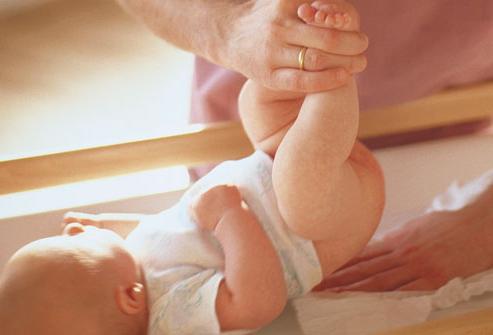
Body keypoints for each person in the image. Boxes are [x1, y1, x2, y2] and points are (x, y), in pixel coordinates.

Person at [0, 3, 384, 334]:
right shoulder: (176, 313)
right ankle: (332, 74)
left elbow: (157, 231)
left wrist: (105, 226)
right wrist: (231, 219)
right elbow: (257, 300)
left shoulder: (137, 263)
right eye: (73, 243)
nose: (75, 230)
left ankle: (312, 57)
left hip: (275, 157)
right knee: (301, 179)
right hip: (315, 228)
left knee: (258, 100)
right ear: (129, 298)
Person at [118, 0, 493, 291]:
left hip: (445, 112)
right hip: (256, 95)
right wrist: (228, 30)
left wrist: (484, 222)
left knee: (299, 191)